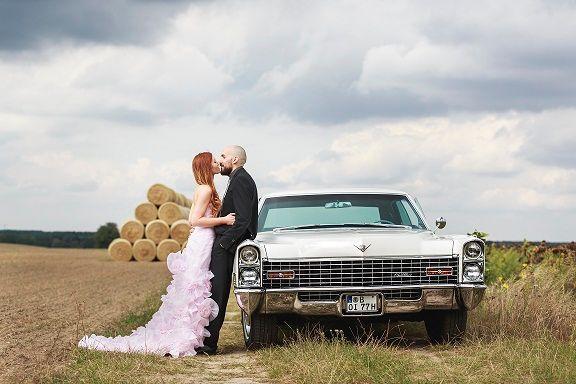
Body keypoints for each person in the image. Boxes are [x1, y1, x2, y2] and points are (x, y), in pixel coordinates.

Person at [77, 152, 235, 357]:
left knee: (193, 285)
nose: (217, 163)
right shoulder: (205, 189)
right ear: (206, 166)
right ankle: (186, 333)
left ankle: (191, 332)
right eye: (213, 161)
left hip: (202, 239)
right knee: (194, 285)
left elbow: (192, 220)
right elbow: (194, 220)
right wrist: (223, 221)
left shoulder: (203, 188)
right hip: (202, 239)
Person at [196, 145, 259, 355]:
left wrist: (224, 245)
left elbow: (243, 220)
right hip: (224, 242)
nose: (220, 160)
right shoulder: (237, 178)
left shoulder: (241, 179)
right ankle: (206, 339)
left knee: (218, 294)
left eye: (222, 156)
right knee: (215, 292)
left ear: (234, 159)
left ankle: (209, 344)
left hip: (226, 245)